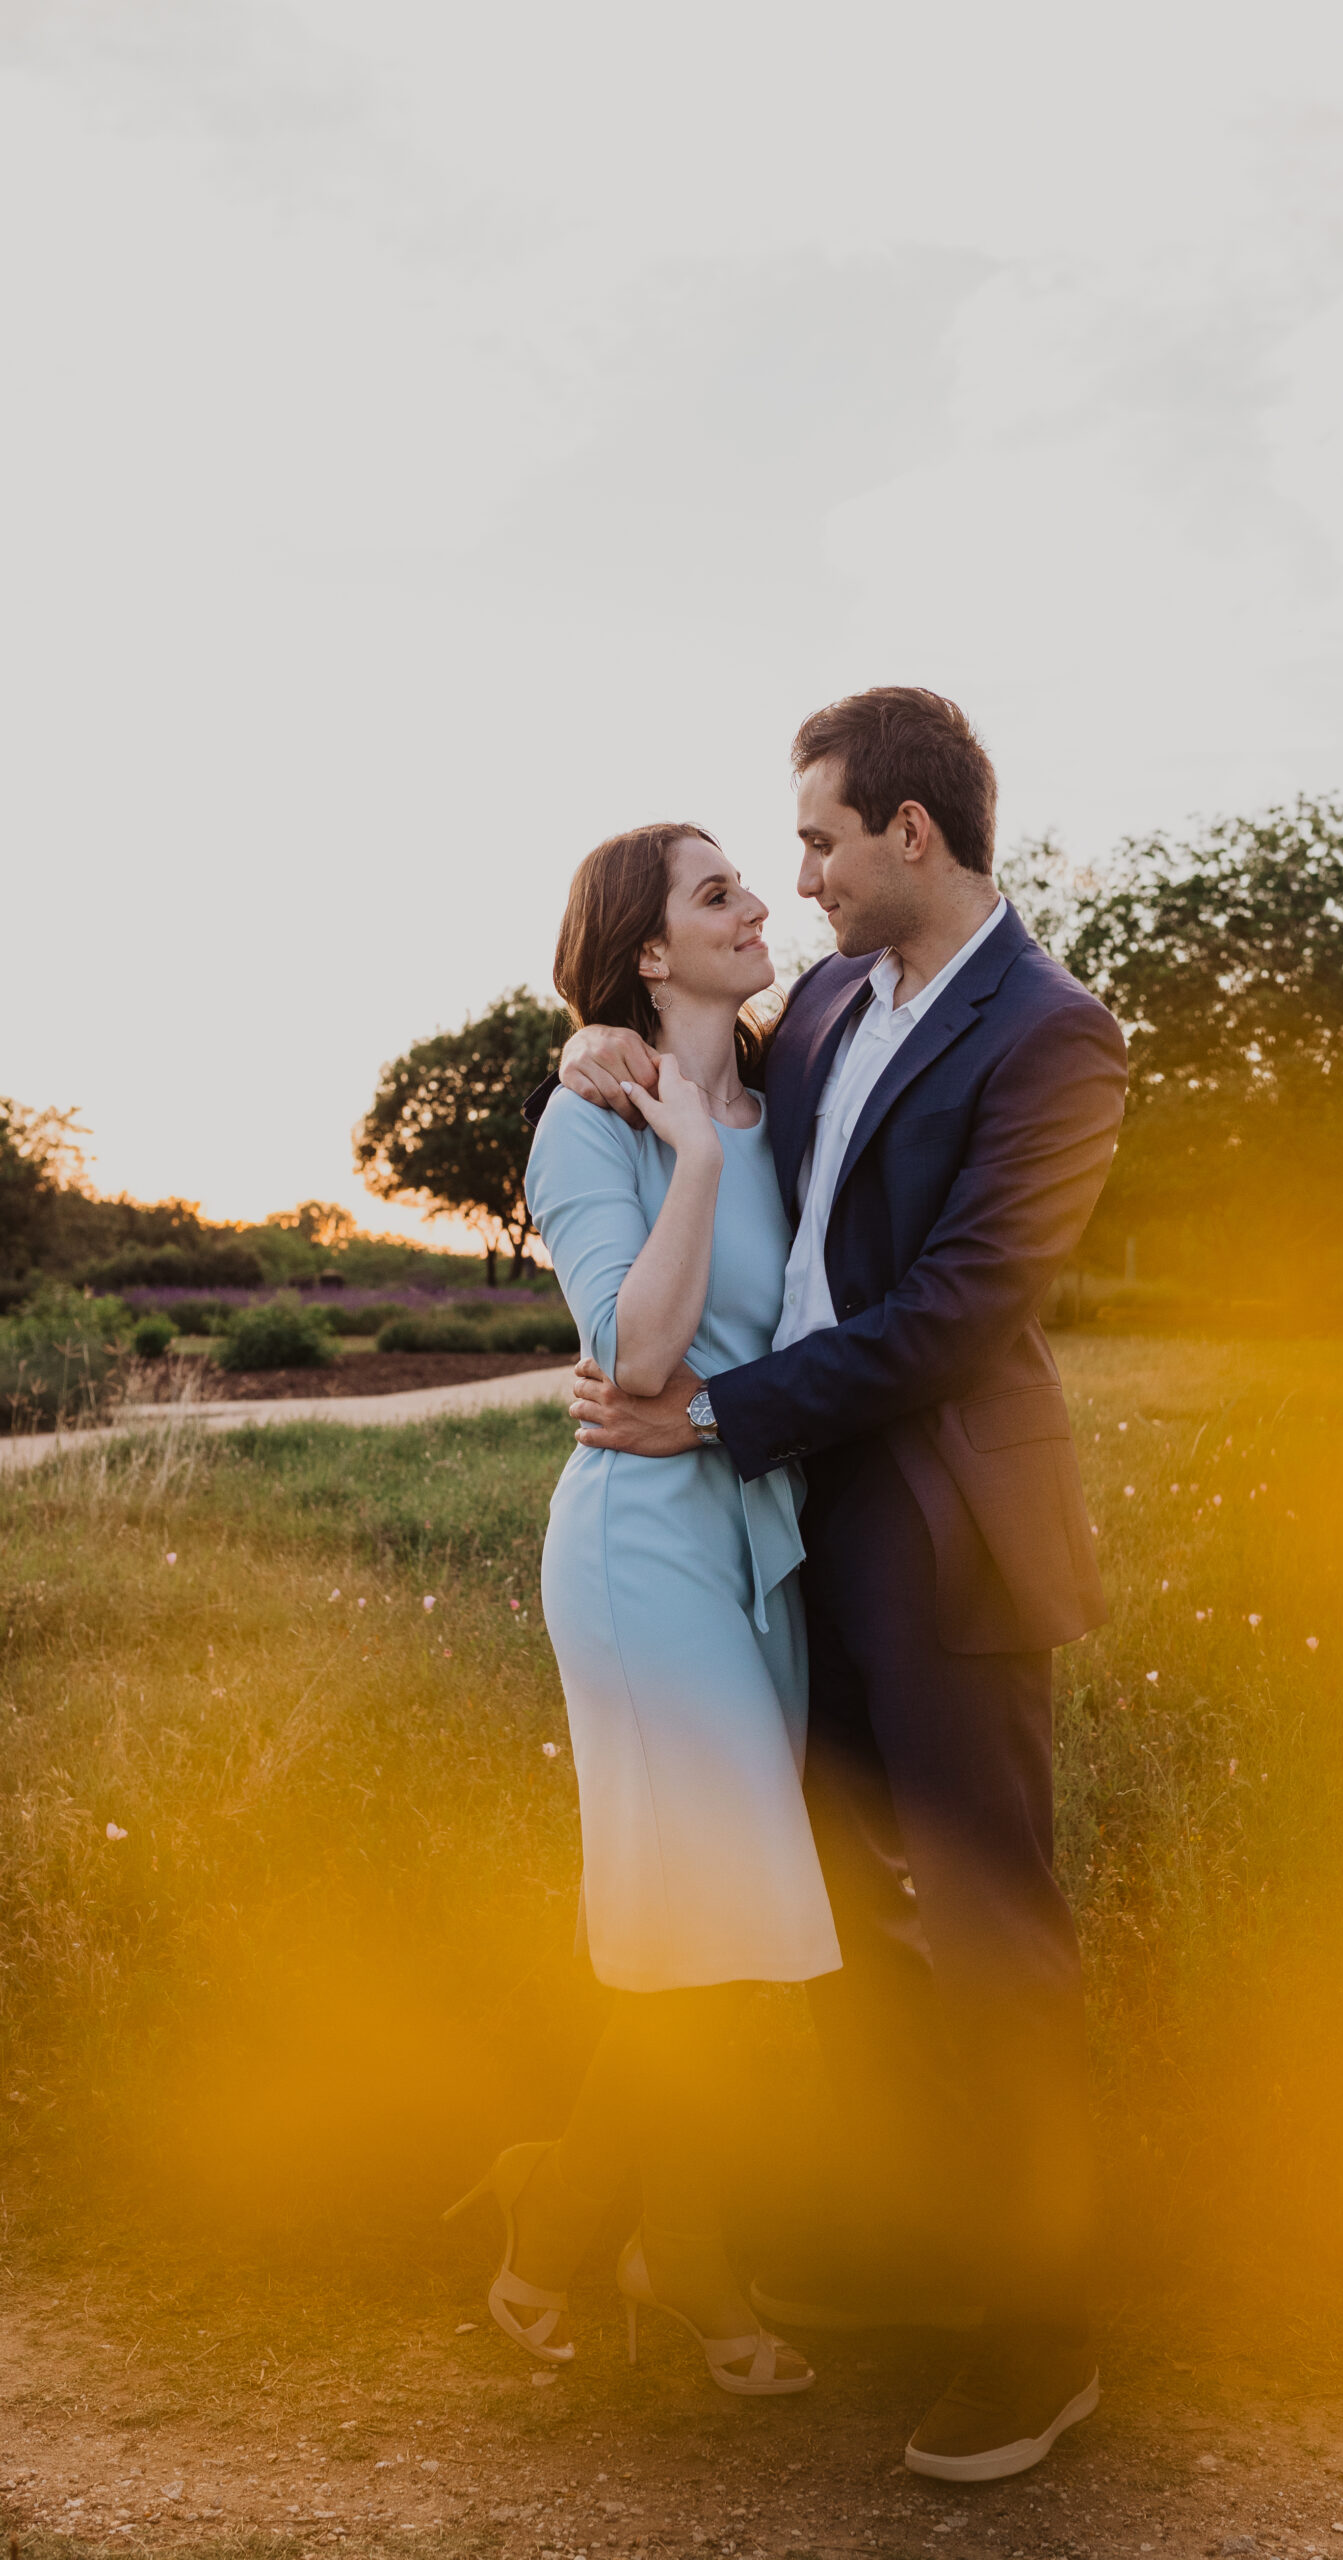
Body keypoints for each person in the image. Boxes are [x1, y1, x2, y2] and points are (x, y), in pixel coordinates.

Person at [546, 688, 1129, 2482]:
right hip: (793, 1545)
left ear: (912, 836)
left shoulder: (1055, 1038)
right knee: (853, 1939)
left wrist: (717, 1416)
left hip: (943, 1536)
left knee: (987, 1935)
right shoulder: (823, 1020)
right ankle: (908, 2262)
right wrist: (591, 1053)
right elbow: (677, 1080)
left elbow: (962, 1312)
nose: (795, 877)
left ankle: (1047, 2338)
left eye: (814, 841)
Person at [445, 821, 841, 2399]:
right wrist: (690, 1146)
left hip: (764, 1541)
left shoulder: (796, 1089)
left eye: (756, 879)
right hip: (643, 1546)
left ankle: (631, 2230)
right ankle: (597, 2228)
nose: (762, 907)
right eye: (718, 892)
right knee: (719, 1923)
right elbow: (642, 1351)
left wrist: (722, 1113)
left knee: (728, 1936)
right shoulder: (591, 1118)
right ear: (650, 954)